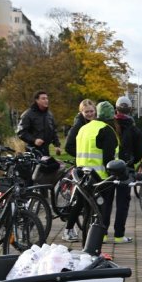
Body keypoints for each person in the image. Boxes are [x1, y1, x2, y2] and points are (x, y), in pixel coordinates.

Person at [75, 101, 119, 241]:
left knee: (88, 209)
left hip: (83, 175)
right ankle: (101, 235)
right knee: (103, 208)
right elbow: (108, 158)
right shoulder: (106, 130)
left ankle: (88, 234)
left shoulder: (84, 128)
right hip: (102, 177)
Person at [110, 96, 142, 243]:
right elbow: (139, 151)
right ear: (130, 110)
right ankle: (119, 235)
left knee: (106, 202)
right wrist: (132, 163)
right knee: (122, 203)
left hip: (108, 167)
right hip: (125, 169)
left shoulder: (108, 126)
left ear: (116, 109)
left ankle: (102, 233)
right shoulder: (133, 128)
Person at [62, 100, 97, 242]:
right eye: (86, 112)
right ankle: (68, 229)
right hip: (82, 168)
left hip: (94, 167)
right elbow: (68, 146)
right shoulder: (78, 126)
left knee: (92, 200)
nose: (89, 114)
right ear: (81, 112)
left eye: (91, 111)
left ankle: (91, 229)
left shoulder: (95, 123)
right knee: (81, 201)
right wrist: (82, 154)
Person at [17, 91, 61, 156]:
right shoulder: (28, 114)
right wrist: (34, 140)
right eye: (43, 98)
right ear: (37, 100)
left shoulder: (49, 115)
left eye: (47, 98)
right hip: (32, 151)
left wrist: (57, 145)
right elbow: (21, 132)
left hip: (46, 150)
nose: (46, 100)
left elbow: (53, 131)